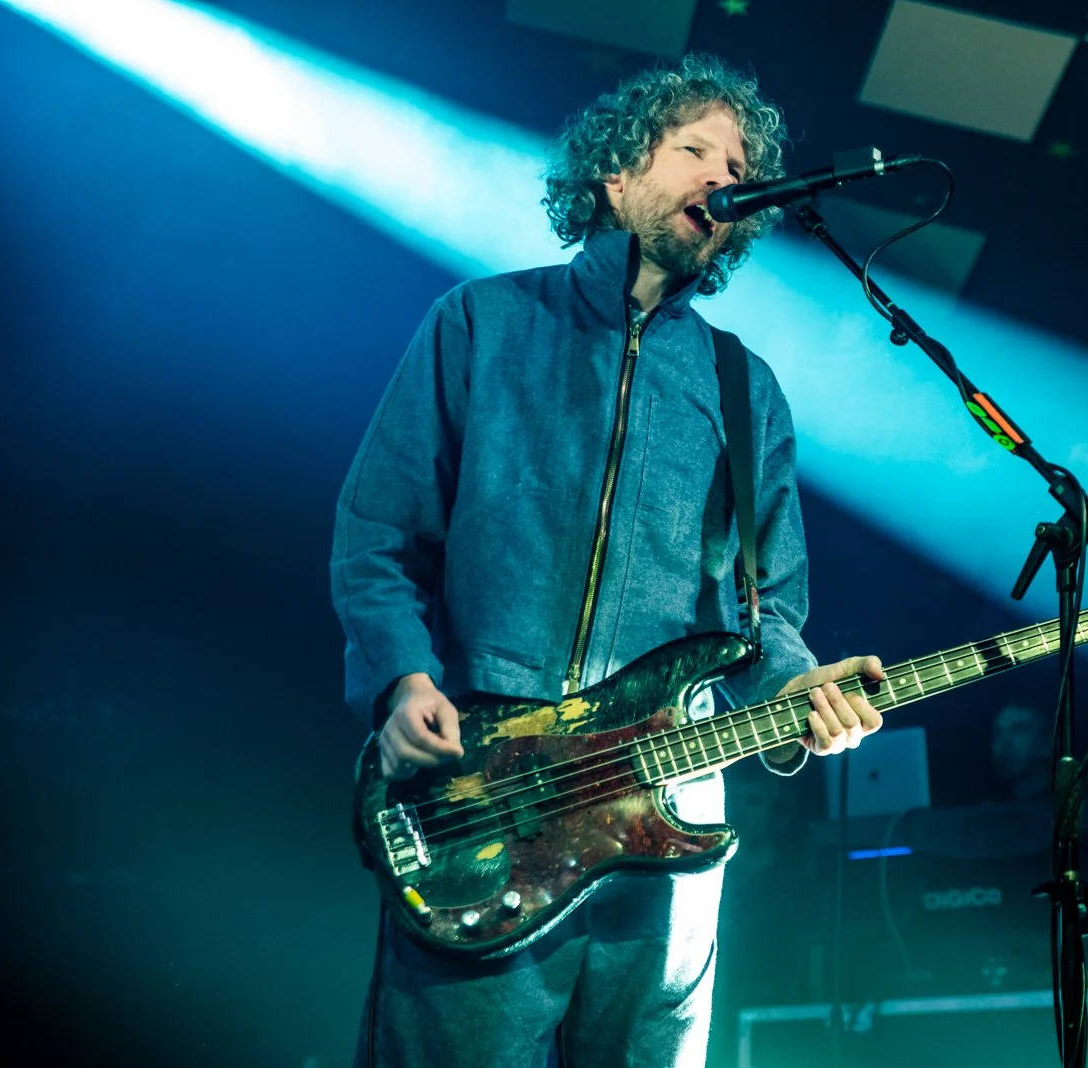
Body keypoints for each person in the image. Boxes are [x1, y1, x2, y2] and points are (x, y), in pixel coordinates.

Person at [330, 53, 885, 1068]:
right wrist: (402, 678)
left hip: (671, 803)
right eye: (695, 150)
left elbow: (766, 611)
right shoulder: (483, 323)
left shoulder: (744, 388)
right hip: (491, 786)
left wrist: (798, 686)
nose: (723, 176)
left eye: (739, 166)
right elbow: (379, 534)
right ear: (616, 173)